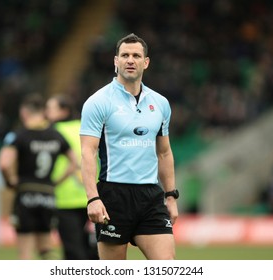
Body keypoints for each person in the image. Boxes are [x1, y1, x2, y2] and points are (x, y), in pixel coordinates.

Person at [79, 33, 179, 260]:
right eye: (125, 55)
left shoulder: (160, 103)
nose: (130, 60)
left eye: (136, 55)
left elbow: (164, 152)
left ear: (146, 62)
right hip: (113, 196)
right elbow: (88, 152)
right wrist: (93, 199)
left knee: (168, 267)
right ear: (116, 61)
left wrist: (171, 196)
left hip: (150, 196)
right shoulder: (98, 102)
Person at [0, 94, 79, 260]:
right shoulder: (56, 135)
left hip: (26, 192)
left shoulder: (20, 135)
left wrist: (11, 181)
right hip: (48, 194)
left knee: (25, 251)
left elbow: (4, 163)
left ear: (24, 112)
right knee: (46, 248)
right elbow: (74, 163)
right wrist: (55, 182)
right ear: (43, 112)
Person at [45, 95, 98, 260]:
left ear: (64, 111)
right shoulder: (86, 127)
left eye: (50, 109)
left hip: (64, 197)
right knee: (92, 249)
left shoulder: (51, 132)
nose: (46, 113)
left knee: (72, 250)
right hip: (91, 196)